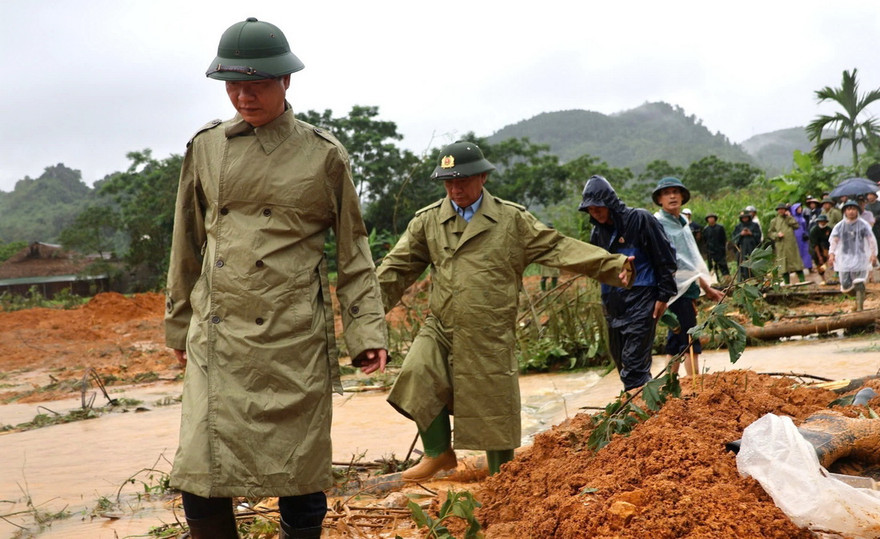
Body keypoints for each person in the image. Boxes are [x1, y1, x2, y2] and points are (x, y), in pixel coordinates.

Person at [163, 18, 389, 539]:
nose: (244, 96)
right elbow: (186, 243)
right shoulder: (206, 147)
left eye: (258, 84)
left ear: (286, 81)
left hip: (292, 337)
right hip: (217, 336)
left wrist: (367, 333)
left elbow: (353, 252)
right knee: (201, 468)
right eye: (233, 85)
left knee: (300, 471)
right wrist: (178, 326)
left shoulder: (324, 155)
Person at [377, 148, 637, 482]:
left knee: (494, 405)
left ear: (483, 177)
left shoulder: (511, 220)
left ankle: (503, 475)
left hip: (490, 329)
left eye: (463, 179)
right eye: (448, 181)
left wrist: (612, 264)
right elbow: (395, 270)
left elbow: (557, 247)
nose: (455, 188)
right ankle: (438, 454)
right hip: (441, 324)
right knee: (417, 374)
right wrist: (363, 317)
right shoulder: (428, 220)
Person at [578, 175, 678, 390]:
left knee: (634, 367)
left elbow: (666, 259)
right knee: (621, 362)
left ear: (610, 203)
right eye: (590, 209)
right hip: (613, 303)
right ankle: (647, 407)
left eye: (598, 207)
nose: (594, 212)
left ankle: (643, 416)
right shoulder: (598, 233)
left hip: (642, 299)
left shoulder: (640, 220)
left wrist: (663, 296)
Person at [652, 178, 723, 378]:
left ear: (683, 197)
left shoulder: (682, 223)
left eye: (676, 192)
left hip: (685, 289)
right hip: (672, 290)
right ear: (659, 199)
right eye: (667, 193)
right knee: (691, 338)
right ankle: (695, 385)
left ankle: (667, 386)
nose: (672, 196)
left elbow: (690, 264)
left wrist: (707, 290)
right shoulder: (657, 224)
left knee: (675, 341)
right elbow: (667, 262)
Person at [828, 201, 878, 311]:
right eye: (848, 209)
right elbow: (834, 240)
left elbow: (871, 240)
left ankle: (860, 308)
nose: (851, 211)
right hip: (845, 257)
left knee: (859, 282)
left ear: (857, 211)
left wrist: (873, 254)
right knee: (845, 285)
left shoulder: (863, 225)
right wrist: (831, 253)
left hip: (860, 257)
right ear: (845, 211)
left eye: (854, 209)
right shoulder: (840, 226)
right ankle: (856, 299)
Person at [769, 202, 806, 284]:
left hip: (791, 244)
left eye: (783, 209)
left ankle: (802, 281)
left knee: (796, 262)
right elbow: (770, 233)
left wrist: (789, 217)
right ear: (777, 211)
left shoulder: (789, 218)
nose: (781, 211)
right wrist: (777, 235)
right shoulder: (774, 221)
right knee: (783, 265)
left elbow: (796, 226)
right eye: (780, 210)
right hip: (780, 245)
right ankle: (787, 283)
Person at [732, 210, 762, 281]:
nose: (745, 219)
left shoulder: (754, 225)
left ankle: (756, 281)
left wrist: (751, 233)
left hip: (752, 249)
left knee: (754, 265)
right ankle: (744, 281)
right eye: (743, 218)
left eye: (746, 217)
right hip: (742, 250)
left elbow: (759, 236)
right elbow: (734, 239)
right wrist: (741, 234)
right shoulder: (738, 227)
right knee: (743, 266)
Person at [701, 213, 729, 280]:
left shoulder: (720, 228)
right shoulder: (706, 230)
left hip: (720, 251)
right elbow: (704, 240)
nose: (710, 219)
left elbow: (724, 239)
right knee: (712, 268)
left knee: (723, 266)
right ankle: (714, 281)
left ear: (715, 219)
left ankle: (727, 280)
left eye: (712, 218)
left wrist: (723, 249)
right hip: (710, 252)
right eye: (709, 218)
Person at [808, 214, 832, 282]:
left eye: (824, 221)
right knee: (819, 263)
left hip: (826, 247)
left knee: (828, 263)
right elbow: (815, 244)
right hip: (816, 249)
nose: (822, 223)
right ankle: (823, 278)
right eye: (821, 221)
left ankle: (831, 277)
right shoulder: (814, 230)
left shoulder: (829, 229)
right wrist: (819, 256)